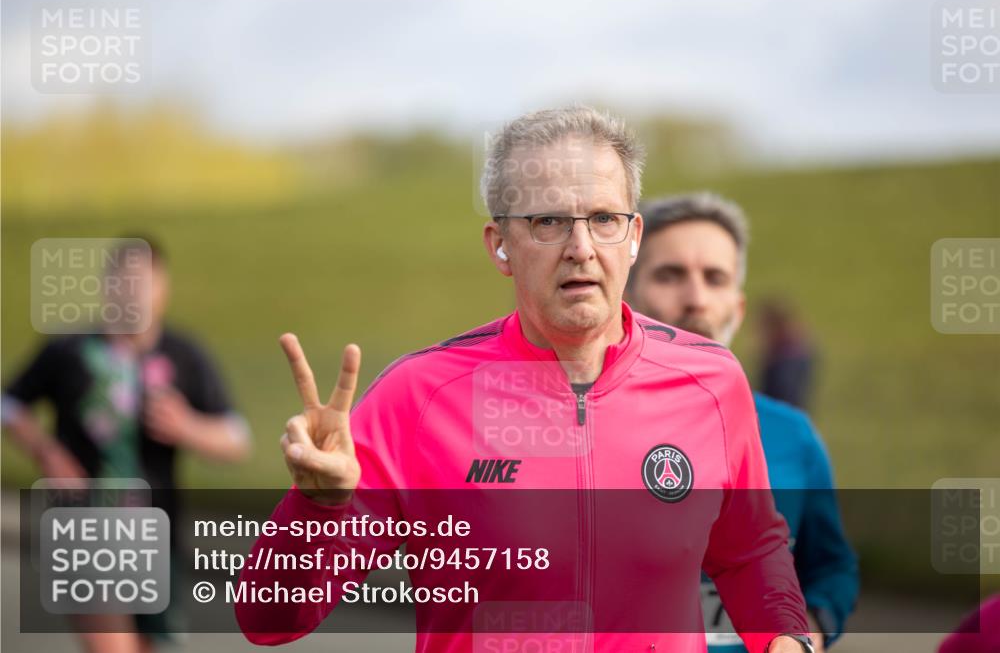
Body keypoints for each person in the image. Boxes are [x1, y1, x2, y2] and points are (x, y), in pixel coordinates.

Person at [236, 106, 815, 653]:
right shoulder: (417, 398)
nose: (581, 249)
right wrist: (316, 507)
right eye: (548, 222)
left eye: (604, 220)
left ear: (634, 237)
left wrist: (787, 638)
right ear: (501, 246)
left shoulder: (709, 381)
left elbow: (750, 548)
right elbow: (267, 620)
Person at [624, 193, 859, 653]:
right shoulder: (570, 427)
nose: (695, 300)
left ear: (737, 307)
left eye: (715, 279)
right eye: (669, 275)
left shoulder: (792, 436)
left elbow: (831, 566)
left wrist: (807, 626)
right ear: (626, 294)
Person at [2, 236, 251, 653]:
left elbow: (236, 438)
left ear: (163, 289)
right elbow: (10, 405)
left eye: (145, 282)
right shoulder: (69, 348)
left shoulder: (183, 354)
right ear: (108, 285)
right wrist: (46, 451)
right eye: (125, 281)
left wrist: (187, 426)